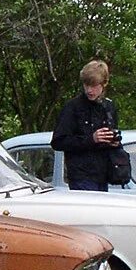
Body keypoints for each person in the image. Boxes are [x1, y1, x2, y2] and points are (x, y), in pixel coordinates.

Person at [51, 60, 121, 192]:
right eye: (86, 84)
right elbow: (58, 142)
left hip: (103, 175)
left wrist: (114, 142)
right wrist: (91, 139)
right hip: (81, 177)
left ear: (104, 84)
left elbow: (111, 138)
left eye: (94, 85)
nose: (89, 90)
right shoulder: (72, 108)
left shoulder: (109, 107)